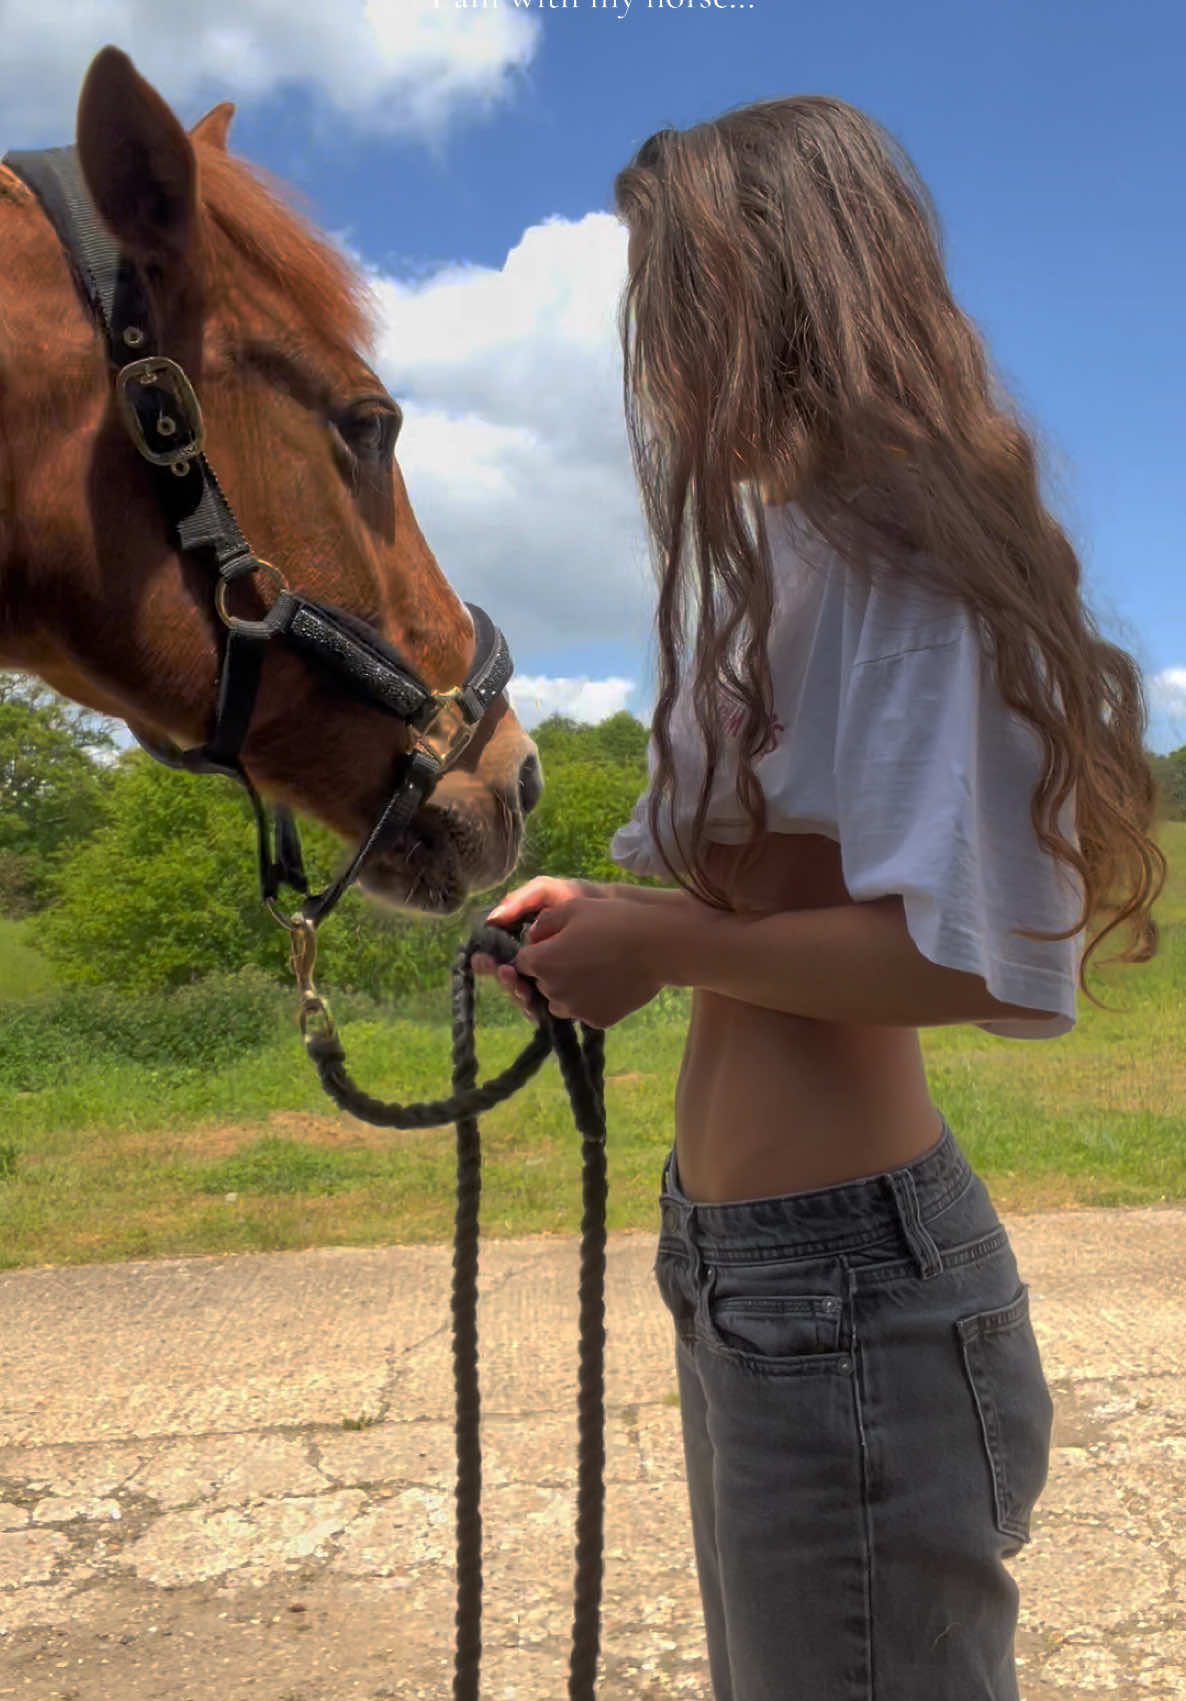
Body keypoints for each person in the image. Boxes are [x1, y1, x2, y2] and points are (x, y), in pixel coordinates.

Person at [473, 97, 1166, 1701]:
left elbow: (972, 958)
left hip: (838, 1285)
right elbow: (762, 905)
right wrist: (624, 918)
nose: (652, 362)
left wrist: (665, 940)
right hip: (751, 1262)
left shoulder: (904, 558)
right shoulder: (793, 556)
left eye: (673, 305)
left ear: (769, 299)